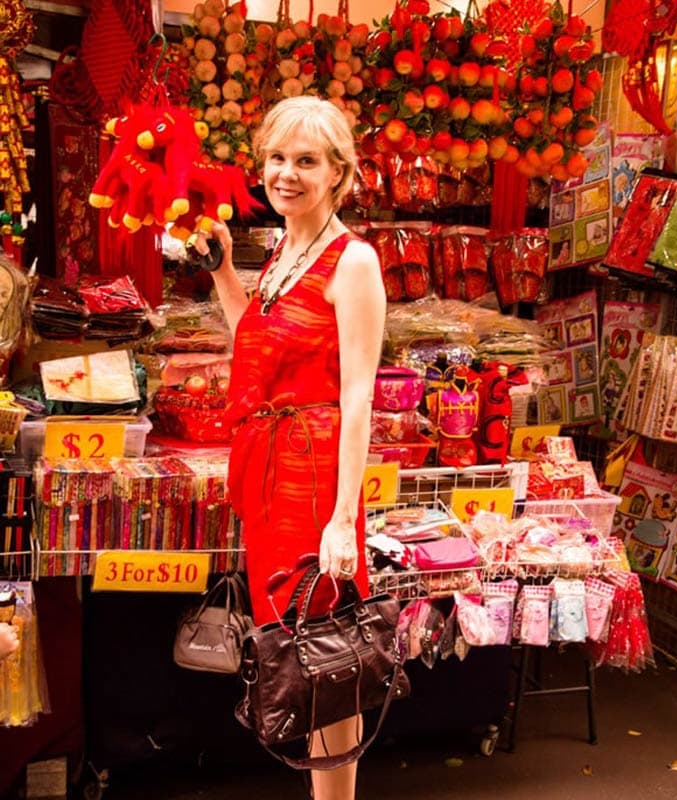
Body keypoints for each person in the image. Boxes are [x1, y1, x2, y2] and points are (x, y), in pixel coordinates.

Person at [194, 95, 386, 800]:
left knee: (330, 662)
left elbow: (358, 395)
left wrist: (343, 519)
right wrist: (221, 273)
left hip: (314, 479)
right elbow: (259, 343)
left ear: (339, 172)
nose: (287, 173)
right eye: (277, 158)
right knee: (302, 657)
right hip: (274, 478)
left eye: (307, 161)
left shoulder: (352, 260)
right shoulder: (283, 252)